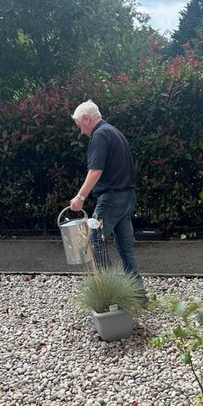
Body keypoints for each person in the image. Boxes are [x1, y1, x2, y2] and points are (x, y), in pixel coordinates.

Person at [70, 99, 147, 299]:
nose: (81, 132)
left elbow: (95, 171)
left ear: (87, 119)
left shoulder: (100, 135)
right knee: (125, 248)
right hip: (127, 198)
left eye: (80, 126)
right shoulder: (115, 132)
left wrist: (80, 197)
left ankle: (110, 296)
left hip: (111, 199)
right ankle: (138, 296)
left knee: (96, 241)